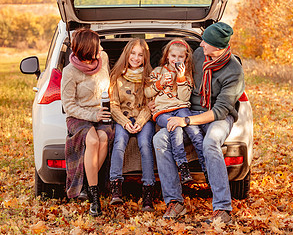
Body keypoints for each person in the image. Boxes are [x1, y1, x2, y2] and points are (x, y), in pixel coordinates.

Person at [153, 22, 245, 223]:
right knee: (160, 140)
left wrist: (185, 121)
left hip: (217, 117)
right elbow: (180, 78)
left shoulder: (234, 71)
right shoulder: (198, 56)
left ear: (218, 47)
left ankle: (223, 209)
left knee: (211, 142)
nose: (201, 44)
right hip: (189, 110)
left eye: (206, 42)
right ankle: (174, 202)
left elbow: (220, 110)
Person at [61, 28, 114, 217]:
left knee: (102, 138)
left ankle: (84, 182)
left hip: (102, 112)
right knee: (92, 141)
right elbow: (68, 106)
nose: (101, 47)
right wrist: (93, 116)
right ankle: (95, 197)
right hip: (78, 116)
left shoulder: (104, 58)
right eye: (97, 45)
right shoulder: (70, 72)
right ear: (86, 49)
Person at [144, 39, 206, 185]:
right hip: (162, 112)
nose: (176, 60)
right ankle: (183, 167)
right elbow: (147, 92)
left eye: (180, 57)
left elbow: (184, 97)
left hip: (181, 108)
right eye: (173, 56)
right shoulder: (158, 72)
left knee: (195, 132)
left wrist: (181, 77)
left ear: (186, 58)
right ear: (167, 56)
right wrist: (160, 84)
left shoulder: (187, 75)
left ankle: (206, 167)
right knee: (175, 127)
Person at [108, 38, 156, 211]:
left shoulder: (150, 78)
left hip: (144, 119)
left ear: (145, 58)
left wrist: (141, 122)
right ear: (127, 55)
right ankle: (115, 189)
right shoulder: (116, 77)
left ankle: (148, 192)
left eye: (140, 55)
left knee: (145, 144)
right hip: (123, 119)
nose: (136, 58)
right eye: (133, 54)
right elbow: (113, 105)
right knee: (119, 142)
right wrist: (126, 122)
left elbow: (150, 106)